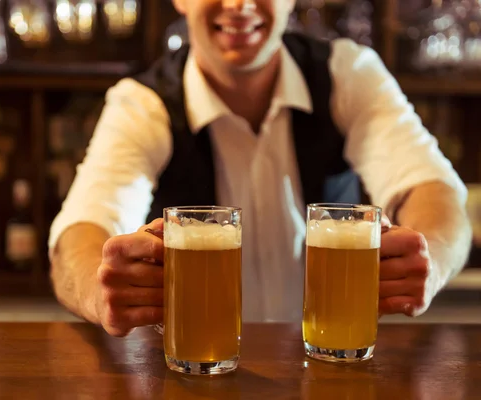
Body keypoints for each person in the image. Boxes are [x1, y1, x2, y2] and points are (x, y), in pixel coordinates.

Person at [48, 0, 472, 337]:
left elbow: (432, 189)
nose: (239, 4)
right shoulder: (143, 102)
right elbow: (83, 227)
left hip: (327, 363)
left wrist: (428, 261)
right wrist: (98, 289)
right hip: (197, 373)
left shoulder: (348, 74)